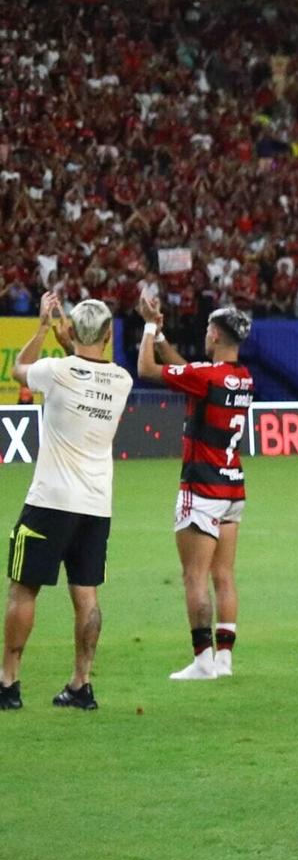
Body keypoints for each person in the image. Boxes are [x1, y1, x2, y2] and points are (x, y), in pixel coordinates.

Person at [2, 294, 133, 712]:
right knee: (87, 596)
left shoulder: (56, 372)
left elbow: (19, 369)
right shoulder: (122, 381)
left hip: (51, 499)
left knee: (23, 590)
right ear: (110, 335)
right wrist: (70, 342)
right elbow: (88, 372)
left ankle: (8, 683)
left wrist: (43, 329)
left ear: (72, 330)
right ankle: (81, 684)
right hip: (96, 505)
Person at [137, 295, 254, 681]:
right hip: (233, 488)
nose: (204, 334)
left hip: (202, 487)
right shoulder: (242, 377)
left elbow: (146, 369)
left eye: (207, 329)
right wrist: (163, 335)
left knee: (194, 575)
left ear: (216, 334)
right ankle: (225, 660)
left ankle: (203, 660)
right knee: (225, 575)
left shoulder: (207, 378)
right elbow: (191, 372)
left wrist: (149, 327)